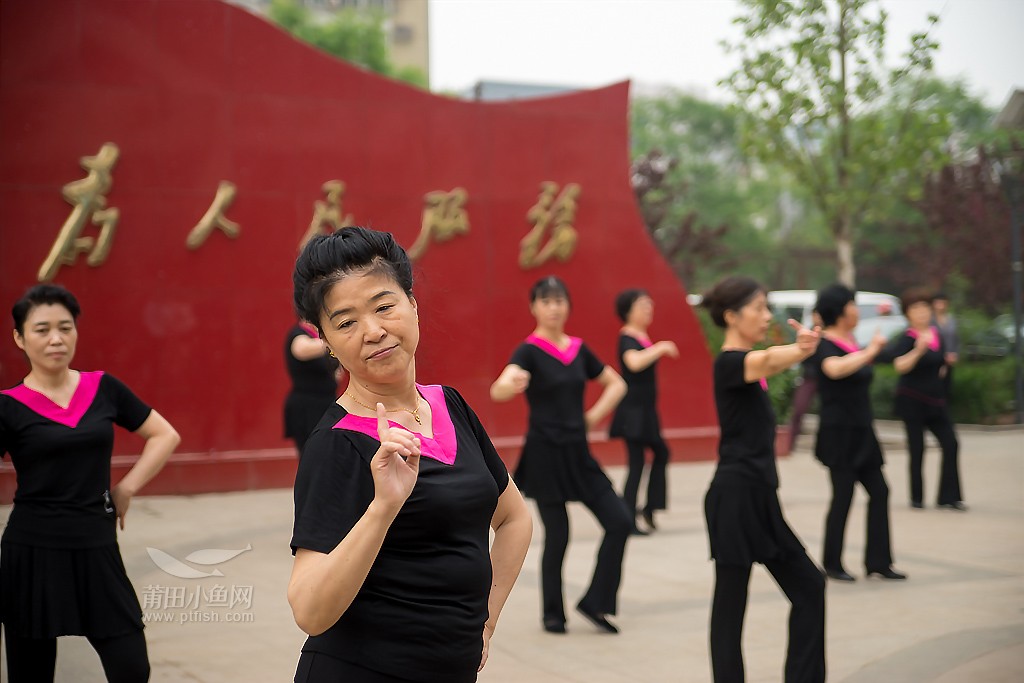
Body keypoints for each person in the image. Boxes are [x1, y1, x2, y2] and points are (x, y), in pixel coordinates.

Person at [287, 227, 532, 683]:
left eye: (384, 306)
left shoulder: (450, 405)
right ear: (326, 340)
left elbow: (515, 520)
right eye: (345, 322)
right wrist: (383, 507)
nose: (374, 331)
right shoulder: (337, 442)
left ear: (413, 306)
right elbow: (308, 610)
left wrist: (487, 618)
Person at [1, 284, 180, 683]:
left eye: (65, 327)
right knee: (30, 672)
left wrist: (127, 487)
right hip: (32, 552)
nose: (56, 339)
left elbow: (164, 435)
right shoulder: (8, 407)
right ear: (19, 337)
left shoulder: (102, 388)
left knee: (132, 666)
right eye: (42, 329)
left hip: (96, 546)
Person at [700, 276, 826, 683]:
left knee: (809, 586)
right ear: (733, 316)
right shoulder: (731, 364)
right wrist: (802, 348)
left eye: (767, 307)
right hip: (735, 498)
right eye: (758, 308)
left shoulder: (747, 366)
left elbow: (765, 363)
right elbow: (767, 360)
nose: (767, 316)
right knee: (730, 609)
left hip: (759, 498)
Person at [490, 275, 631, 635]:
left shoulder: (579, 350)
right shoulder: (528, 351)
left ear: (567, 305)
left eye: (559, 300)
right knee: (559, 536)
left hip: (579, 454)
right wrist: (510, 384)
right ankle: (553, 613)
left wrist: (593, 417)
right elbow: (500, 388)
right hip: (545, 455)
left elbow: (617, 383)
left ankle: (595, 602)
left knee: (620, 521)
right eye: (546, 301)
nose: (554, 307)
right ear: (534, 307)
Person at [811, 284, 906, 583]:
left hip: (863, 431)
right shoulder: (823, 343)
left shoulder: (851, 341)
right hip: (839, 433)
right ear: (839, 310)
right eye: (852, 304)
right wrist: (869, 353)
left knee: (880, 491)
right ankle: (832, 562)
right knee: (843, 496)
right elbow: (834, 370)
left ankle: (878, 562)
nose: (856, 310)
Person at [608, 289, 678, 535]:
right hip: (633, 413)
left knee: (661, 452)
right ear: (629, 311)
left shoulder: (641, 335)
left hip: (646, 412)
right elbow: (633, 363)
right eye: (642, 305)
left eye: (650, 304)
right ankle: (629, 516)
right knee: (637, 463)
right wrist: (660, 348)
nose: (648, 309)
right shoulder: (627, 336)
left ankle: (649, 507)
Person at [889, 287, 966, 511]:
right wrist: (917, 351)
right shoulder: (907, 338)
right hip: (912, 400)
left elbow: (940, 364)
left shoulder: (937, 334)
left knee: (951, 444)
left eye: (924, 307)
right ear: (907, 313)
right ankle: (917, 497)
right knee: (917, 449)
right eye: (916, 308)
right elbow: (899, 366)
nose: (922, 312)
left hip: (936, 401)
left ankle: (949, 497)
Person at [283, 320, 341, 456]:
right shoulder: (298, 334)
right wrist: (336, 339)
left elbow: (337, 374)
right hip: (307, 407)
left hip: (328, 404)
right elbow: (300, 349)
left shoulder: (322, 337)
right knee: (313, 456)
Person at [931, 292, 959, 398]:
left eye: (943, 303)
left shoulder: (951, 320)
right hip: (936, 359)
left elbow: (956, 339)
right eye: (938, 303)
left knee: (947, 389)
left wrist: (955, 354)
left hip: (950, 359)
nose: (941, 306)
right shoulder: (930, 320)